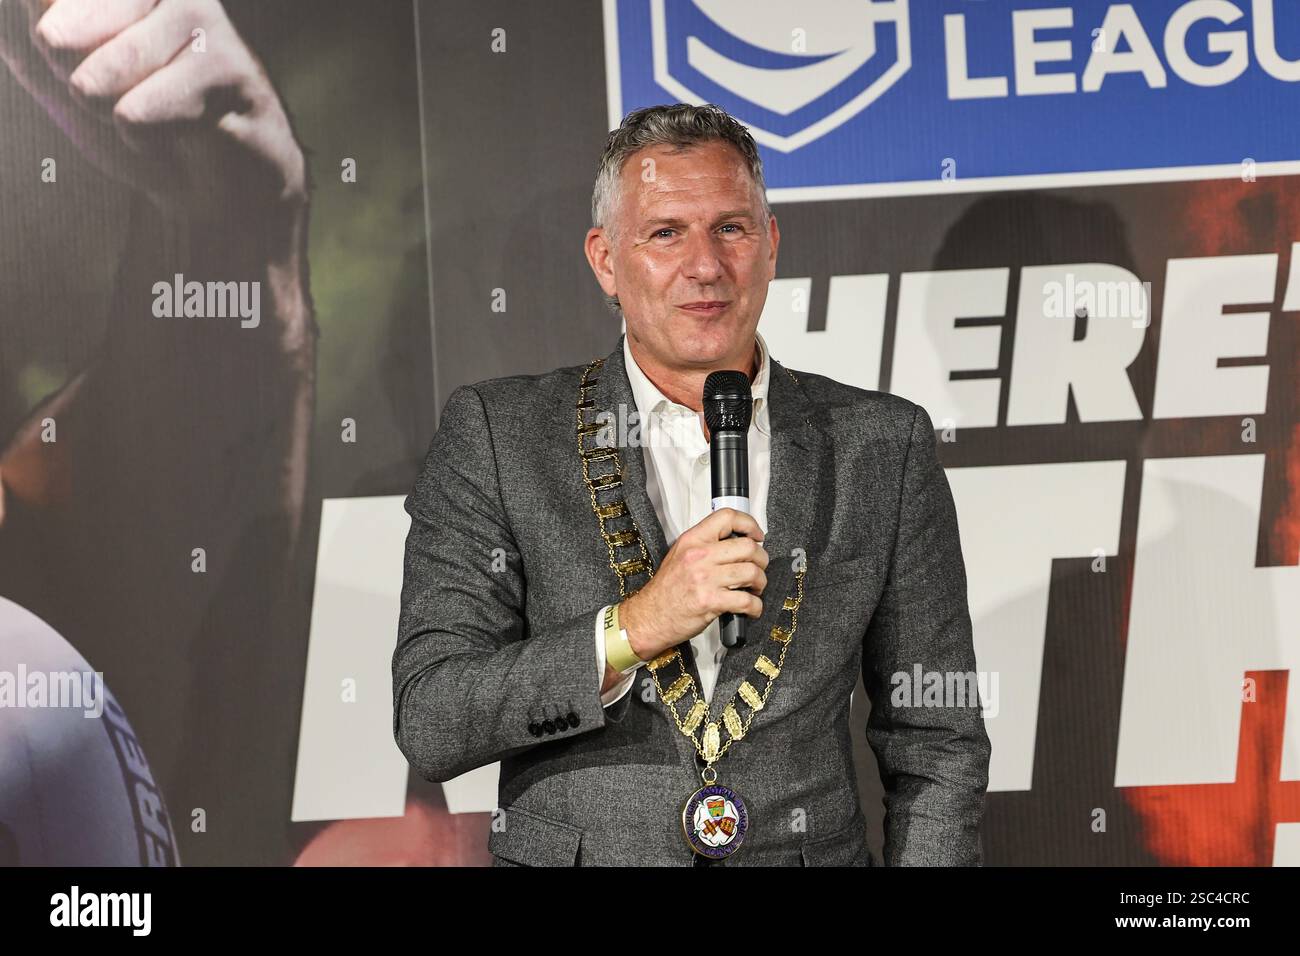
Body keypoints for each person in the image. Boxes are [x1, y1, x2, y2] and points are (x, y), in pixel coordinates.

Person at [394, 103, 991, 866]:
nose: (706, 266)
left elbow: (937, 739)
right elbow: (433, 715)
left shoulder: (881, 443)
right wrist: (635, 627)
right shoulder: (499, 435)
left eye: (732, 229)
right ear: (607, 259)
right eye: (666, 232)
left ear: (770, 245)